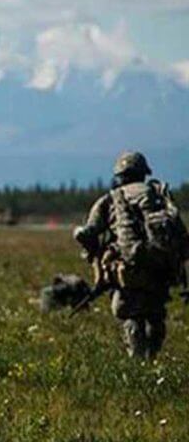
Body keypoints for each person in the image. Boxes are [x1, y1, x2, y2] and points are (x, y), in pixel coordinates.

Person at [73, 151, 189, 359]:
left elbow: (89, 232)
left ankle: (138, 364)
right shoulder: (158, 195)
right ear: (144, 173)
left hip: (128, 268)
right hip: (160, 266)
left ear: (119, 175)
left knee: (131, 315)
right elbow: (180, 234)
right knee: (155, 314)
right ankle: (152, 359)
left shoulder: (109, 200)